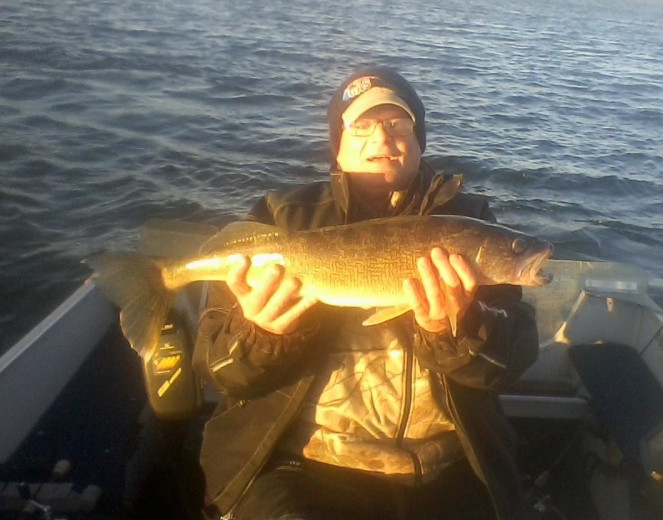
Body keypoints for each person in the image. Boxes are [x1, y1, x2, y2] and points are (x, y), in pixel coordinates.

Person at [193, 65, 540, 520]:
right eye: (362, 125)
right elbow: (222, 371)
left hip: (447, 466)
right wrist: (261, 334)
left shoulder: (469, 225)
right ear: (337, 147)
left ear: (420, 143)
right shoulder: (281, 219)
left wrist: (456, 327)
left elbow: (509, 362)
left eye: (398, 124)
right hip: (306, 463)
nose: (383, 137)